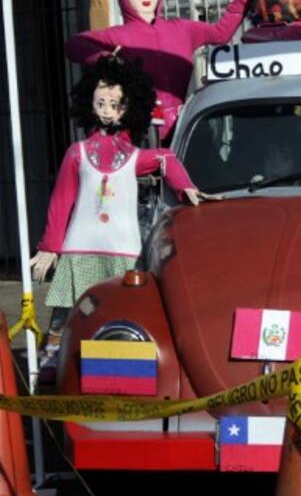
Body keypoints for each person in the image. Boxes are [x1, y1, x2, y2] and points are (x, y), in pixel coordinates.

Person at [29, 57, 216, 376]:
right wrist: (50, 246)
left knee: (123, 308)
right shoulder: (77, 153)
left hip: (123, 249)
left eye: (114, 104)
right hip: (80, 247)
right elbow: (61, 200)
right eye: (99, 102)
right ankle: (52, 356)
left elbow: (166, 160)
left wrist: (186, 188)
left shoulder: (135, 157)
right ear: (88, 104)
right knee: (66, 309)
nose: (105, 109)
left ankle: (121, 364)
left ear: (128, 107)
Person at [65, 0, 253, 142]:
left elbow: (220, 33)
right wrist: (106, 58)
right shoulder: (117, 35)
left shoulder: (182, 29)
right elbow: (75, 44)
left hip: (182, 126)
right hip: (139, 132)